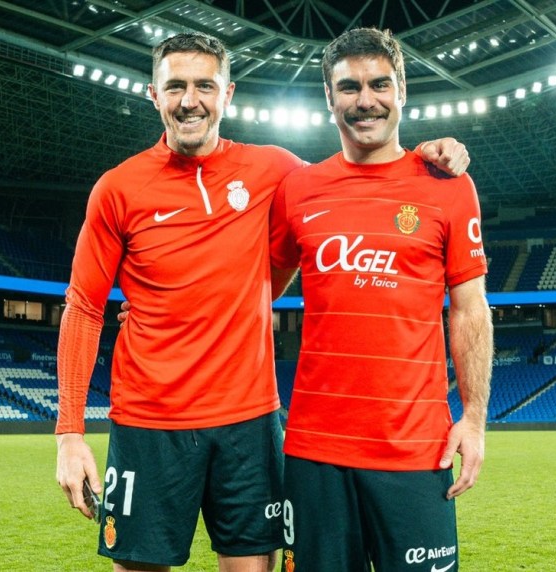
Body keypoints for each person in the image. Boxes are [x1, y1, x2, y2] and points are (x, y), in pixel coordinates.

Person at [54, 31, 470, 572]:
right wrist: (69, 433)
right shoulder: (117, 188)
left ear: (227, 94)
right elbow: (84, 307)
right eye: (175, 87)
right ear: (154, 95)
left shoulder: (276, 170)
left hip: (249, 422)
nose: (190, 101)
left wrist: (426, 156)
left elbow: (356, 180)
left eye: (205, 86)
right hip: (148, 421)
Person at [267, 27, 493, 571]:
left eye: (379, 85)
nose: (365, 100)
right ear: (329, 97)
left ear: (402, 90)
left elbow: (470, 310)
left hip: (416, 448)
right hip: (315, 452)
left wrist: (474, 419)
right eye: (349, 87)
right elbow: (253, 294)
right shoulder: (298, 190)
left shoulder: (448, 185)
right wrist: (167, 308)